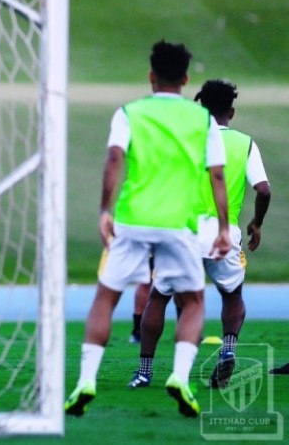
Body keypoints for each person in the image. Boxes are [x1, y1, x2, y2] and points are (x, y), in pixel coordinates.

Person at [64, 40, 231, 418]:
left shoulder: (129, 113)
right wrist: (222, 227)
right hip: (180, 225)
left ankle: (85, 381)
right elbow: (217, 175)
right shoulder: (203, 120)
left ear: (151, 76)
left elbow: (113, 157)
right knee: (193, 302)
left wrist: (105, 209)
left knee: (105, 299)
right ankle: (181, 378)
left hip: (133, 219)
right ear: (186, 78)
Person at [128, 79, 271, 390]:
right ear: (231, 112)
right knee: (232, 295)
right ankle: (229, 349)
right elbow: (263, 189)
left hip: (184, 231)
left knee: (159, 297)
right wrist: (256, 223)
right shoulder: (245, 143)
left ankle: (144, 372)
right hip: (224, 232)